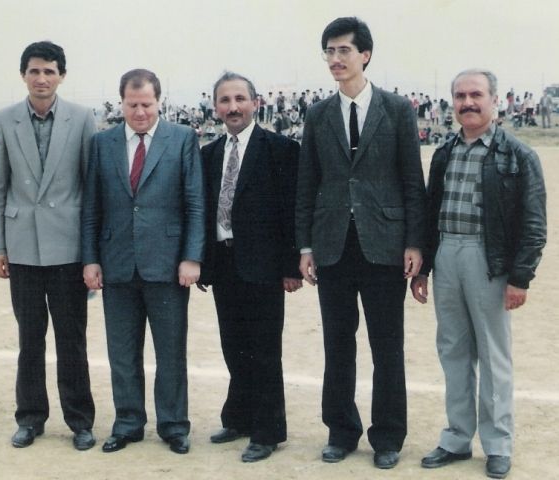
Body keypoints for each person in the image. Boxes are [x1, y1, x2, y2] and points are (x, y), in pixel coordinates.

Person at [295, 17, 426, 469]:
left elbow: (412, 181)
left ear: (365, 55)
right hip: (332, 245)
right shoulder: (317, 114)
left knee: (387, 345)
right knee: (338, 344)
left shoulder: (397, 109)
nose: (335, 59)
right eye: (329, 51)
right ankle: (341, 431)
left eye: (344, 50)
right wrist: (305, 247)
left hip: (385, 245)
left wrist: (414, 243)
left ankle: (388, 436)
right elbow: (307, 183)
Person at [411, 69, 547, 480]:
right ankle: (456, 438)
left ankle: (498, 443)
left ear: (494, 100)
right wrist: (425, 268)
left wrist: (520, 277)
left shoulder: (518, 155)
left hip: (488, 259)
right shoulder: (444, 152)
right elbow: (430, 212)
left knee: (493, 354)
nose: (467, 103)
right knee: (453, 351)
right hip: (448, 254)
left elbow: (534, 223)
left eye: (476, 95)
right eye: (460, 96)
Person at [81, 69, 204, 455]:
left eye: (147, 104)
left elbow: (195, 204)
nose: (139, 112)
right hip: (116, 264)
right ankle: (128, 423)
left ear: (159, 102)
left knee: (171, 353)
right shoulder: (101, 143)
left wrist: (191, 257)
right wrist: (90, 259)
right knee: (122, 353)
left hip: (167, 266)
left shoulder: (182, 138)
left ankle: (174, 425)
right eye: (132, 104)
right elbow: (91, 207)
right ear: (120, 103)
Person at [0, 41, 96, 450]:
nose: (42, 79)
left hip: (69, 249)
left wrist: (91, 253)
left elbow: (91, 188)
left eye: (49, 71)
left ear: (61, 76)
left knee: (72, 339)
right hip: (23, 249)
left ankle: (80, 421)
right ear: (23, 75)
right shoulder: (4, 120)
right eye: (34, 71)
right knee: (29, 338)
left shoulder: (82, 118)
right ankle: (30, 418)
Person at [199, 71, 301, 463]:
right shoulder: (209, 154)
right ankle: (238, 418)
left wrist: (291, 266)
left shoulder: (280, 149)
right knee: (233, 346)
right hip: (224, 263)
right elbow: (205, 211)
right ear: (216, 107)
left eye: (240, 99)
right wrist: (204, 264)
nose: (233, 107)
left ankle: (267, 431)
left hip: (264, 266)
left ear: (256, 103)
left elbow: (291, 210)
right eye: (225, 100)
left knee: (264, 350)